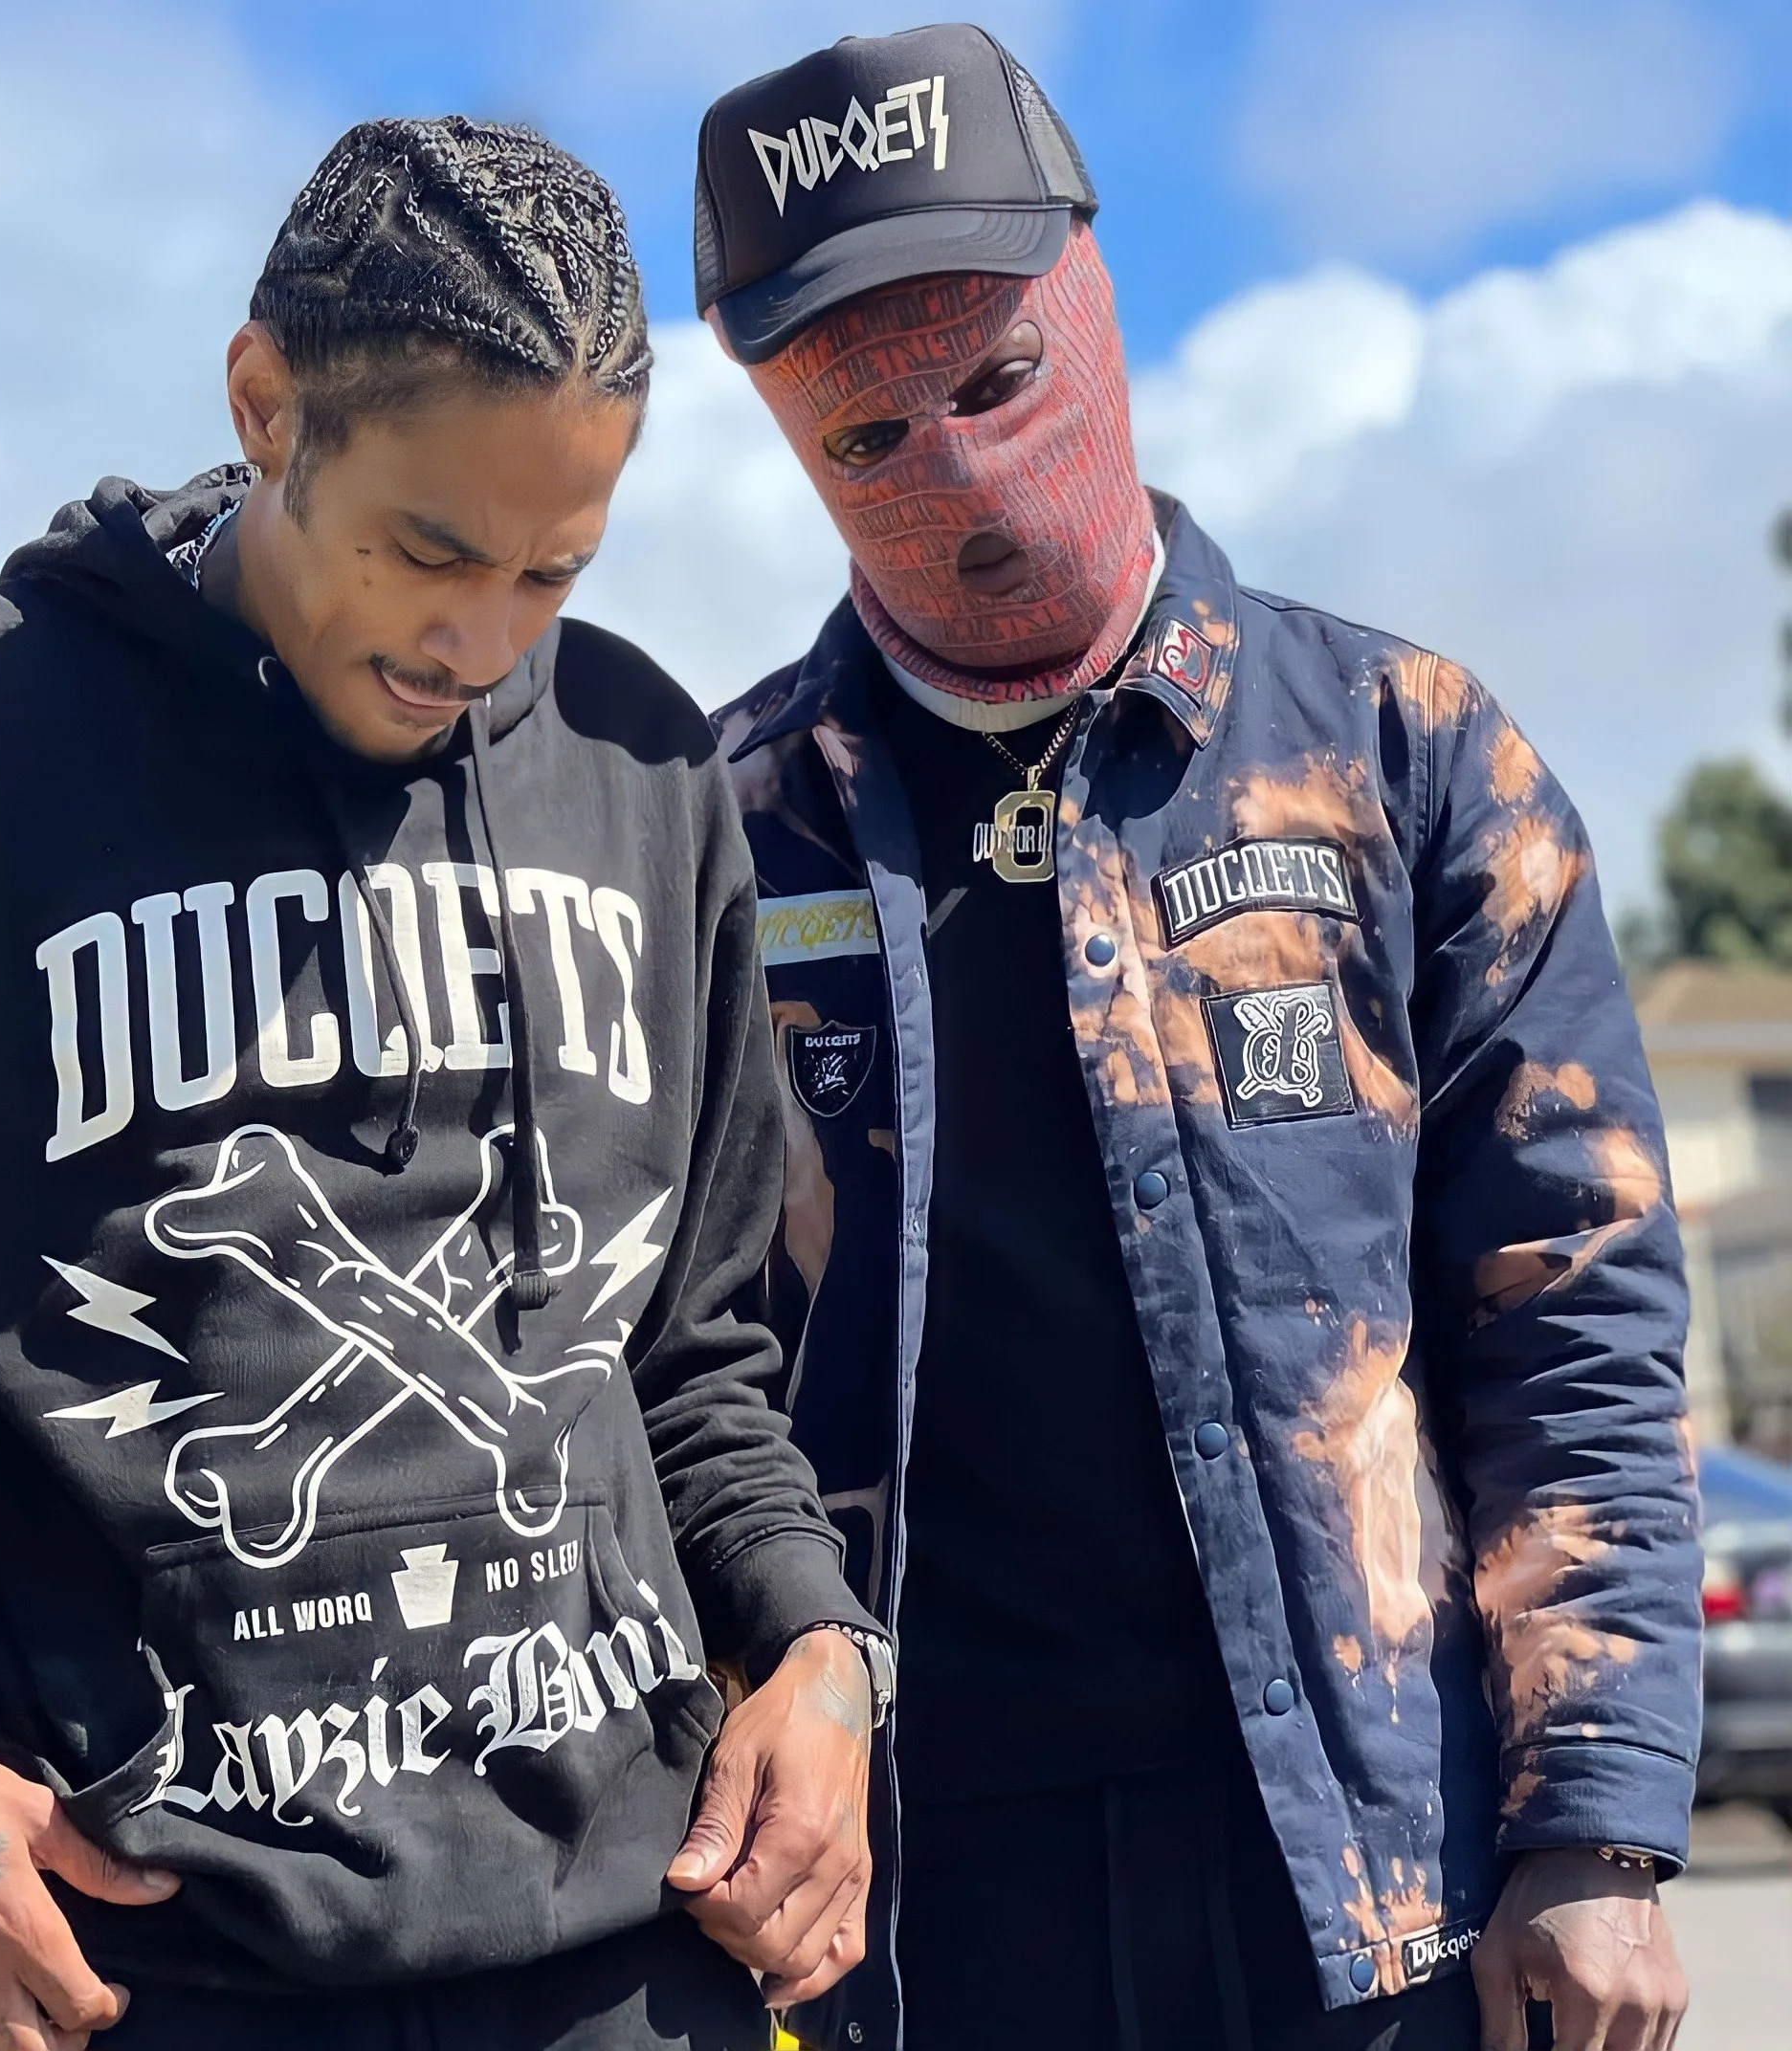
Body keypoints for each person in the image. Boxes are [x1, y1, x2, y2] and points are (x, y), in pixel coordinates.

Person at [0, 116, 892, 2051]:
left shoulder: (637, 763)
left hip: (637, 1966)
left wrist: (818, 1643)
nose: (477, 639)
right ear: (265, 403)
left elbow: (686, 1366)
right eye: (429, 548)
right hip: (129, 1979)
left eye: (549, 570)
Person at [696, 26, 1700, 2051]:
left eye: (995, 381)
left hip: (1373, 1885)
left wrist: (1591, 1834)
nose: (960, 473)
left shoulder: (1404, 757)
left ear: (1096, 301)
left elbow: (1567, 1310)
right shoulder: (710, 840)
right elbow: (649, 1370)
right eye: (868, 436)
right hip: (915, 1919)